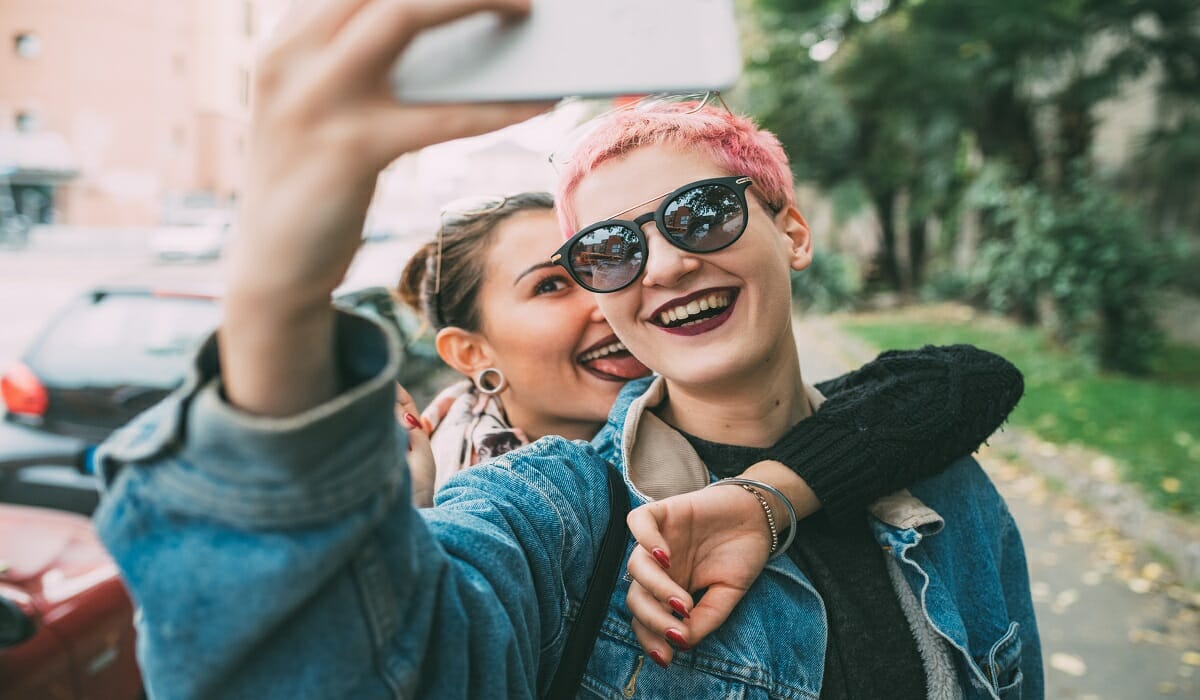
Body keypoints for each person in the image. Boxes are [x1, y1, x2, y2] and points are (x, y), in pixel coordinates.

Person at [93, 1, 1041, 698]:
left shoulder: (944, 489)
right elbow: (331, 670)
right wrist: (275, 292)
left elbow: (966, 378)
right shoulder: (555, 512)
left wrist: (769, 495)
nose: (663, 265)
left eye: (702, 213)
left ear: (790, 231)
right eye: (607, 251)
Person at [392, 193, 1021, 512]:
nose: (608, 295)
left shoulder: (728, 420)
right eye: (553, 284)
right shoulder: (449, 493)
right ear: (469, 352)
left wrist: (772, 498)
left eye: (606, 261)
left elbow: (966, 377)